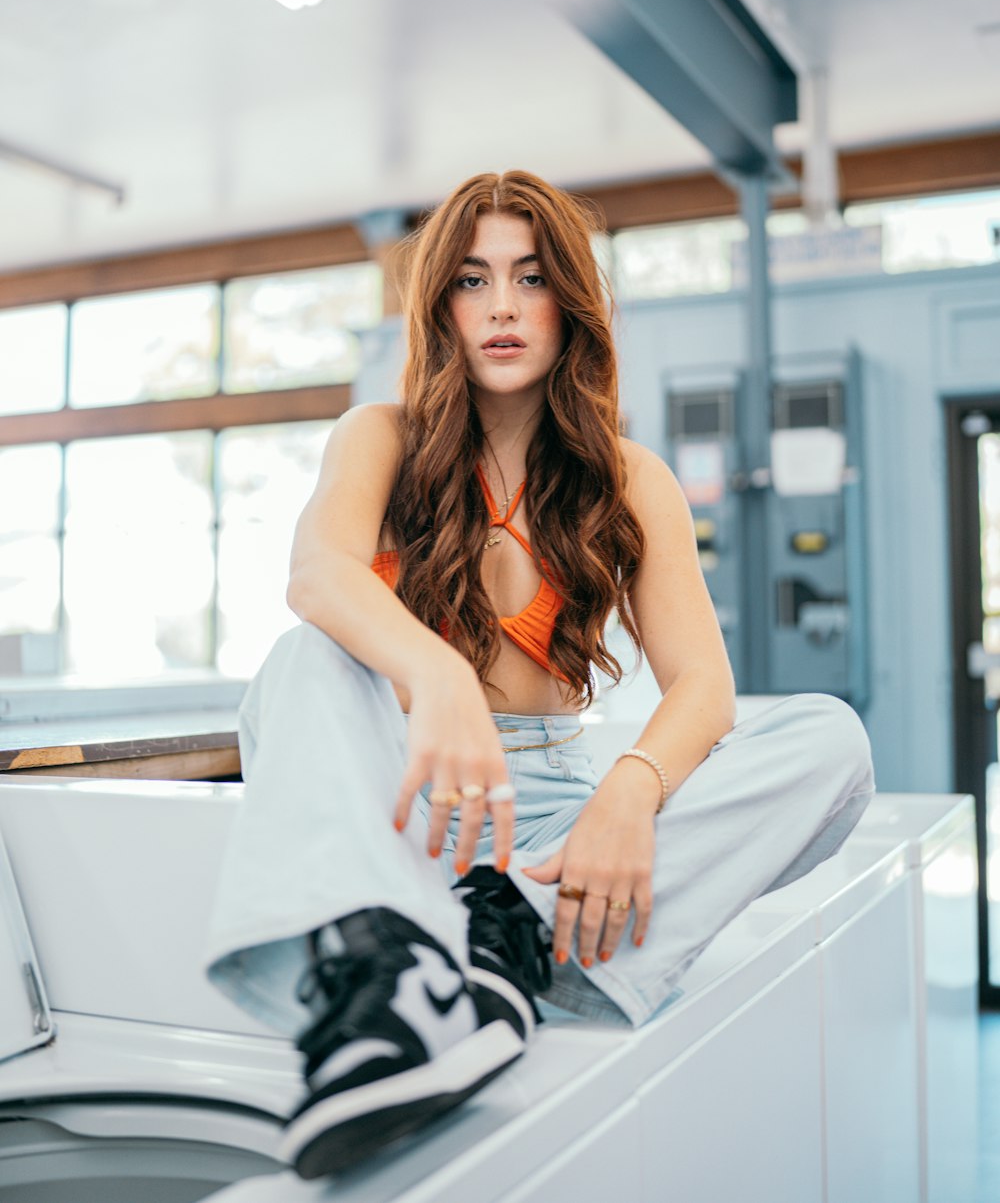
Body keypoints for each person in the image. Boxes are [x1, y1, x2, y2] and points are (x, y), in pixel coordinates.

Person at [204, 170, 875, 1181]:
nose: (504, 306)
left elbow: (704, 688)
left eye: (530, 277)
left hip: (561, 820)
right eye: (473, 280)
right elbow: (317, 573)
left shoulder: (627, 474)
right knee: (304, 658)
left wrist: (630, 791)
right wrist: (435, 674)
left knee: (832, 742)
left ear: (572, 301)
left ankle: (505, 933)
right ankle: (395, 965)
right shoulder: (378, 438)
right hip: (420, 802)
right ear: (440, 308)